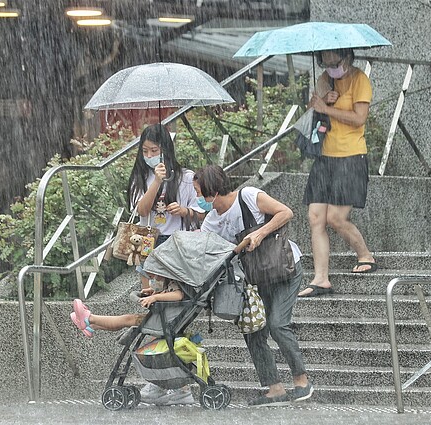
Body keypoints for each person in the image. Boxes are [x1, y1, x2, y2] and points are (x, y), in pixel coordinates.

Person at [193, 165, 313, 406]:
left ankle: (302, 381)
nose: (198, 199)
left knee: (278, 324)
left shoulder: (247, 196)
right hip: (257, 278)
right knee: (253, 331)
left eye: (199, 192)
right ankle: (275, 388)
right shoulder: (210, 224)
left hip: (285, 269)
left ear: (213, 191)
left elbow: (285, 212)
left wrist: (259, 233)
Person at [299, 48, 377, 298]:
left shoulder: (359, 79)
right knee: (315, 217)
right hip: (324, 158)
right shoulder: (324, 79)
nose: (331, 66)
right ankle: (321, 278)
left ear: (348, 58)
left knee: (335, 218)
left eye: (336, 61)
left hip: (351, 157)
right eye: (326, 61)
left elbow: (359, 118)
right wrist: (321, 102)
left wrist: (328, 108)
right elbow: (313, 108)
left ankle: (365, 254)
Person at [70, 273, 195, 405]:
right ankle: (92, 325)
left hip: (167, 320)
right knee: (127, 321)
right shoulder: (175, 279)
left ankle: (89, 319)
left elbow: (178, 295)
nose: (153, 278)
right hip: (167, 318)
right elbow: (173, 294)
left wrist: (156, 297)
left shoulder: (177, 280)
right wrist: (154, 292)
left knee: (129, 319)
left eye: (155, 275)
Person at [127, 123, 202, 290]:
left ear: (166, 150)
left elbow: (203, 212)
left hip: (177, 240)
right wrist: (156, 182)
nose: (149, 155)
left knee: (175, 293)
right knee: (150, 293)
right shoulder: (140, 178)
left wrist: (184, 211)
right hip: (148, 239)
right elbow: (142, 210)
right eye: (145, 151)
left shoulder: (186, 177)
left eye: (154, 151)